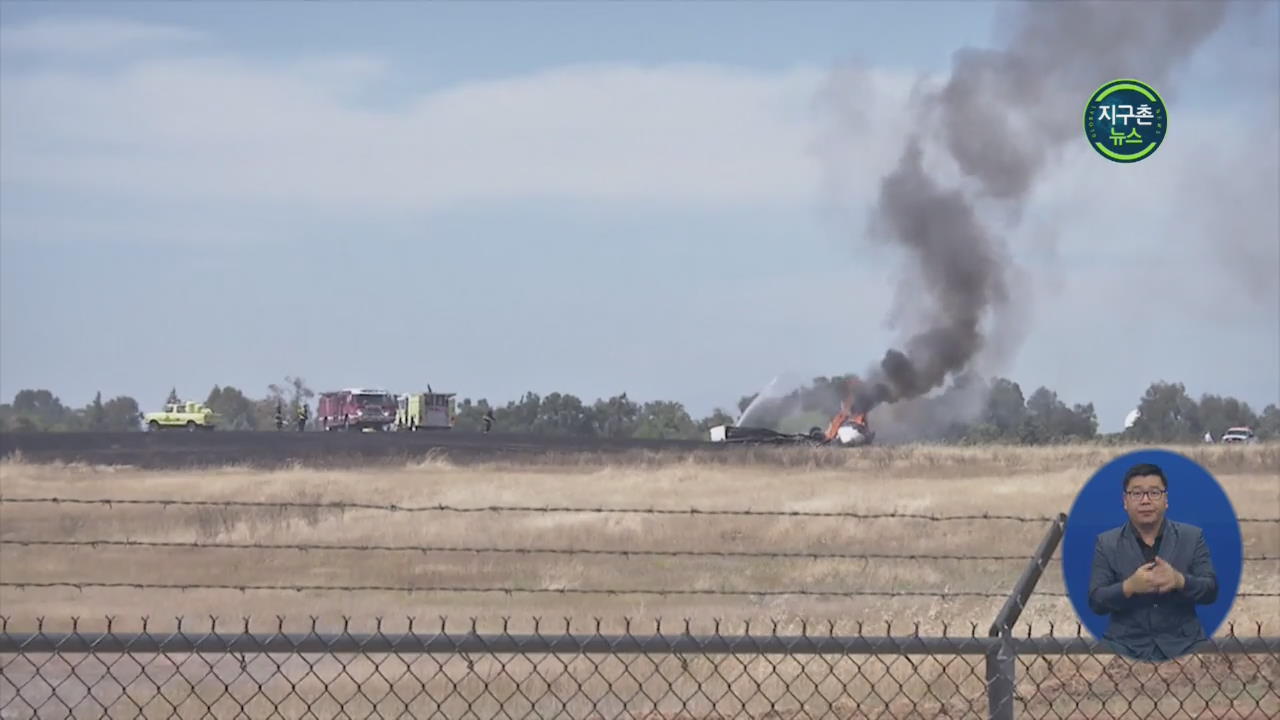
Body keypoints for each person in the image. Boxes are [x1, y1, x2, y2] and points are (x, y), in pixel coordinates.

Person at [1088, 462, 1218, 661]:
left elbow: (1210, 590)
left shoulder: (1192, 537)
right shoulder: (1107, 543)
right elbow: (1096, 601)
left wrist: (1179, 580)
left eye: (1154, 493)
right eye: (1137, 494)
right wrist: (1129, 587)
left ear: (1166, 499)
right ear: (1125, 501)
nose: (1145, 501)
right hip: (1124, 647)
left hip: (1185, 646)